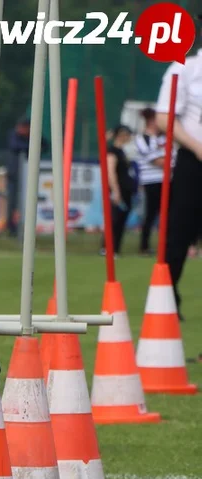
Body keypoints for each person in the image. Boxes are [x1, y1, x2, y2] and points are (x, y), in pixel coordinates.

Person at [155, 22, 202, 325]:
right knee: (179, 233)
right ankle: (166, 300)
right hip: (194, 160)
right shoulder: (184, 68)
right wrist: (197, 147)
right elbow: (163, 117)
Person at [102, 125, 138, 257]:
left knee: (122, 220)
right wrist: (116, 191)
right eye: (126, 134)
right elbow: (110, 172)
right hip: (119, 190)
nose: (128, 137)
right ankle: (107, 248)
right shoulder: (113, 151)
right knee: (114, 220)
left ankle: (115, 248)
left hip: (126, 190)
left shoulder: (124, 152)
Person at [135, 108, 166, 256]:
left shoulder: (164, 138)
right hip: (151, 181)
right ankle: (144, 246)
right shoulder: (142, 138)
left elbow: (172, 157)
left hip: (167, 180)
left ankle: (166, 246)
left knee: (168, 214)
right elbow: (156, 160)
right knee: (151, 214)